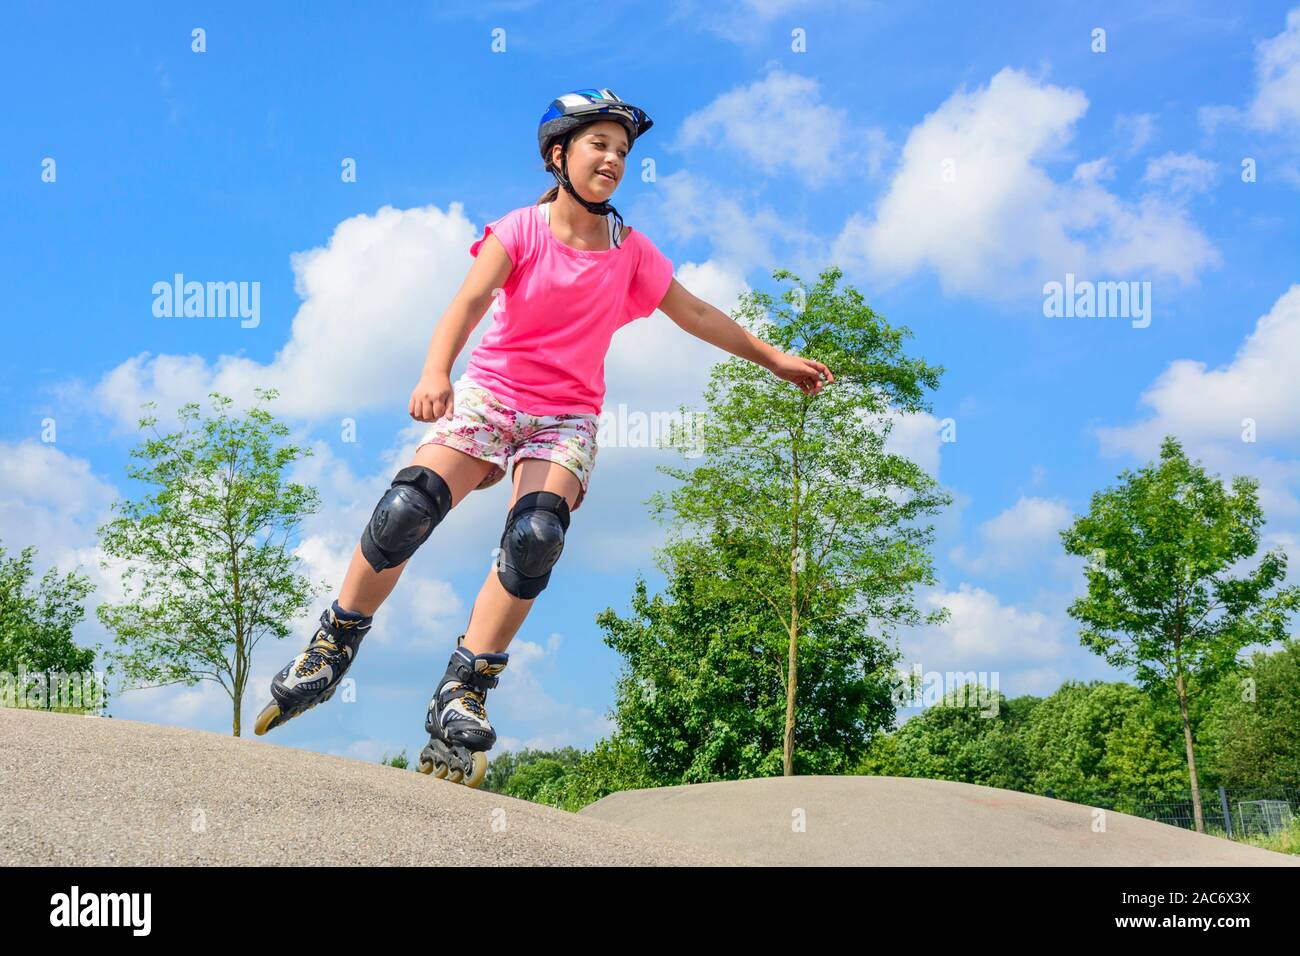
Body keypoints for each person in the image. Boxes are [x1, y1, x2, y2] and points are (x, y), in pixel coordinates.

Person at [254, 88, 834, 785]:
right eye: (599, 146)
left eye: (622, 152)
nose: (614, 161)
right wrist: (436, 371)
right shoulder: (520, 231)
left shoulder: (631, 254)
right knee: (408, 505)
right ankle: (333, 642)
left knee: (536, 534)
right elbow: (467, 302)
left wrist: (772, 357)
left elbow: (697, 313)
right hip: (492, 394)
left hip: (566, 415)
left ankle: (464, 687)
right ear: (559, 155)